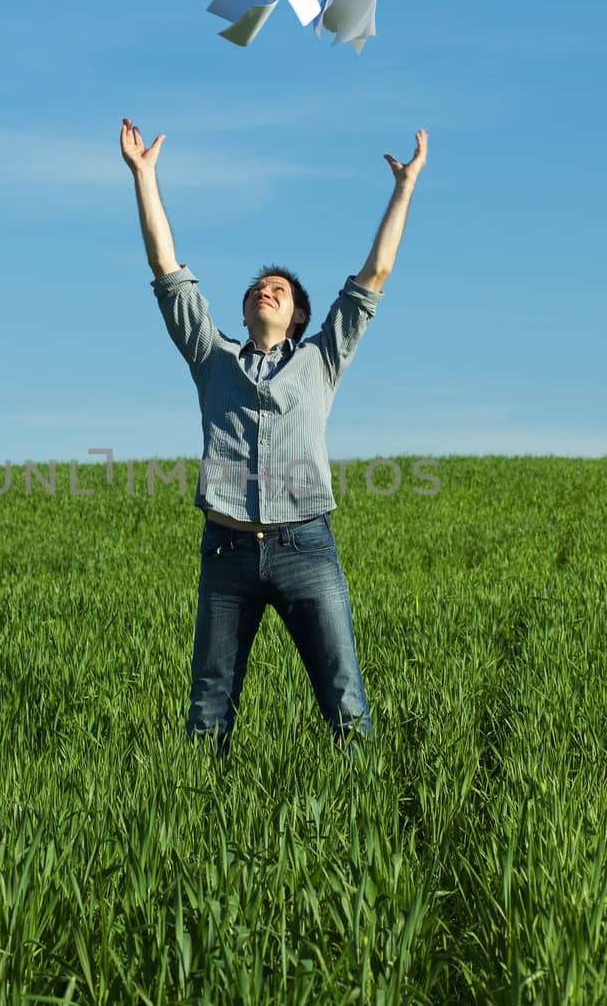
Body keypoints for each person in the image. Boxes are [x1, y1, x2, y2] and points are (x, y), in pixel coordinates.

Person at [120, 117, 427, 758]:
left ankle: (363, 818)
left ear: (296, 316)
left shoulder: (321, 359)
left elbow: (375, 276)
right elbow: (166, 269)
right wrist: (144, 176)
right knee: (208, 713)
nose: (267, 290)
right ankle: (196, 824)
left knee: (344, 704)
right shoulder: (214, 358)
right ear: (245, 310)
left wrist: (404, 188)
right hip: (227, 553)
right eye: (260, 287)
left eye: (280, 290)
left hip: (306, 545)